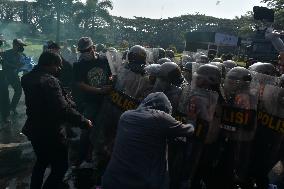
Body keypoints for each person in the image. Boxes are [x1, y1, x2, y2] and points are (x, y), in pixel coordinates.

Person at [21, 50, 92, 189]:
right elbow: (62, 109)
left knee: (41, 162)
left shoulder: (27, 78)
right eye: (58, 66)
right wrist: (84, 121)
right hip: (50, 132)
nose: (59, 69)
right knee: (60, 167)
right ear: (50, 64)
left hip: (34, 129)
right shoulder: (50, 81)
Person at [102, 92, 195, 189]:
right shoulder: (160, 117)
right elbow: (189, 131)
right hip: (140, 184)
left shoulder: (125, 116)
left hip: (111, 180)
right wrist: (192, 119)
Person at [1, 39, 26, 114]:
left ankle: (12, 107)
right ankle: (5, 108)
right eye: (20, 45)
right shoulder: (6, 53)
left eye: (22, 46)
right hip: (5, 75)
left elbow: (24, 64)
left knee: (18, 91)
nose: (21, 47)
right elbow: (4, 63)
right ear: (14, 45)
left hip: (14, 76)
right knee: (4, 92)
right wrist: (15, 66)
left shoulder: (22, 55)